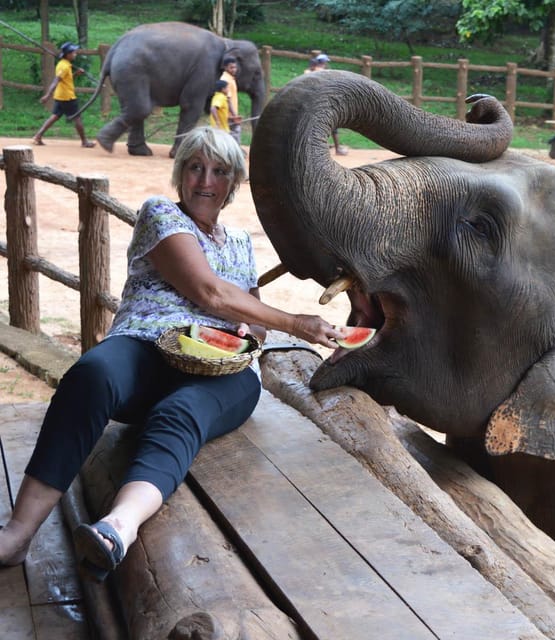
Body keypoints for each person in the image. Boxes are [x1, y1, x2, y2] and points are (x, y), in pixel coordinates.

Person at [0, 127, 342, 582]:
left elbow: (252, 318)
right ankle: (19, 533)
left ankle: (115, 530)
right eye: (195, 168)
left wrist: (251, 328)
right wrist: (299, 324)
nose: (205, 181)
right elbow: (210, 292)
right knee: (92, 373)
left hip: (224, 372)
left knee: (180, 413)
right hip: (146, 344)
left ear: (232, 182)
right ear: (180, 175)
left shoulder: (240, 243)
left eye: (219, 171)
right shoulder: (160, 215)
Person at [33, 42, 96, 148]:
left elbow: (66, 79)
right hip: (67, 97)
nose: (75, 54)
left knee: (55, 117)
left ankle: (38, 136)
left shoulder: (64, 64)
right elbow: (56, 80)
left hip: (60, 95)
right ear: (68, 54)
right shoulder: (64, 66)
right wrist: (47, 95)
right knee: (77, 118)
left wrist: (76, 74)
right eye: (74, 52)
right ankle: (84, 142)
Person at [304, 53, 348, 156]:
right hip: (323, 102)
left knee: (313, 125)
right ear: (323, 63)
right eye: (326, 62)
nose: (327, 64)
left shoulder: (307, 72)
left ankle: (317, 147)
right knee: (332, 125)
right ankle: (337, 149)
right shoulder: (323, 72)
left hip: (310, 101)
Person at [219, 56, 242, 146]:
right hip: (228, 114)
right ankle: (235, 152)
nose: (234, 69)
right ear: (225, 67)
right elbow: (227, 99)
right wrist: (234, 115)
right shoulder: (225, 80)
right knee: (235, 133)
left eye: (235, 67)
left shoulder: (230, 78)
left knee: (229, 134)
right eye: (231, 67)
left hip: (229, 113)